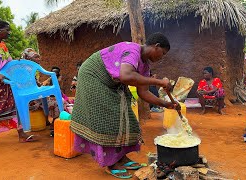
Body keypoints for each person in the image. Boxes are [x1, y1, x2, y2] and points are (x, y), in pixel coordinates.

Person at [70, 32, 179, 179]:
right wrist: (159, 82)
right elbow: (126, 76)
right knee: (109, 119)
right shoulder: (132, 50)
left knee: (126, 117)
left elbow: (144, 93)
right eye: (163, 53)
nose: (162, 57)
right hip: (93, 77)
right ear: (156, 46)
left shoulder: (144, 65)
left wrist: (166, 104)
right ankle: (111, 163)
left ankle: (121, 158)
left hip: (111, 83)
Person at [0, 20, 36, 145]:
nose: (9, 33)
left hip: (5, 82)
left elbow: (7, 63)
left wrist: (18, 61)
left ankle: (21, 134)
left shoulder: (3, 45)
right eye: (7, 30)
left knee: (14, 106)